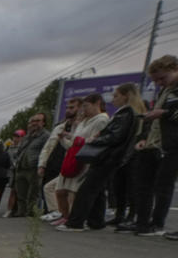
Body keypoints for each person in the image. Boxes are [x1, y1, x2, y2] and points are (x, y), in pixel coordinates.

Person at [58, 84, 143, 232]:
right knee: (97, 190)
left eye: (116, 95)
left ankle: (75, 223)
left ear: (126, 96)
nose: (113, 99)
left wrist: (95, 139)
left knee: (87, 189)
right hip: (110, 157)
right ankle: (96, 221)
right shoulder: (124, 113)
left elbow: (116, 136)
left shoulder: (126, 113)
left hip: (108, 156)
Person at [129, 55, 178, 238]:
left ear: (175, 69)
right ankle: (142, 222)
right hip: (152, 142)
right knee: (143, 184)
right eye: (156, 80)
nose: (159, 83)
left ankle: (157, 224)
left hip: (171, 144)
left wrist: (164, 113)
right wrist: (143, 137)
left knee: (163, 185)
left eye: (162, 78)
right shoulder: (164, 91)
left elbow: (168, 114)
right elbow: (152, 119)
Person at [48, 95, 108, 226]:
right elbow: (72, 145)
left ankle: (77, 219)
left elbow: (95, 142)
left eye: (86, 106)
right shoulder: (83, 122)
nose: (83, 110)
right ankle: (66, 216)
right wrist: (63, 139)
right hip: (72, 159)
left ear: (96, 104)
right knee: (60, 191)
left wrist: (75, 139)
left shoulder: (101, 120)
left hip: (84, 162)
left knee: (75, 192)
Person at [38, 98, 81, 221]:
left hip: (75, 164)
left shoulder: (81, 126)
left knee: (70, 193)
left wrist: (67, 137)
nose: (68, 110)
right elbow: (48, 147)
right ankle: (58, 213)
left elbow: (76, 145)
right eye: (67, 107)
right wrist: (42, 164)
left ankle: (69, 218)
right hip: (59, 164)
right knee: (50, 188)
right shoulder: (60, 127)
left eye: (72, 107)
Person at [11, 112, 50, 217]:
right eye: (33, 121)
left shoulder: (46, 136)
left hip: (33, 168)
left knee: (33, 193)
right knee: (20, 192)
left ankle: (31, 212)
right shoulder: (28, 136)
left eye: (38, 121)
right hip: (21, 167)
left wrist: (42, 165)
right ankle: (21, 211)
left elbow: (46, 151)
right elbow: (20, 149)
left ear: (43, 123)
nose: (34, 123)